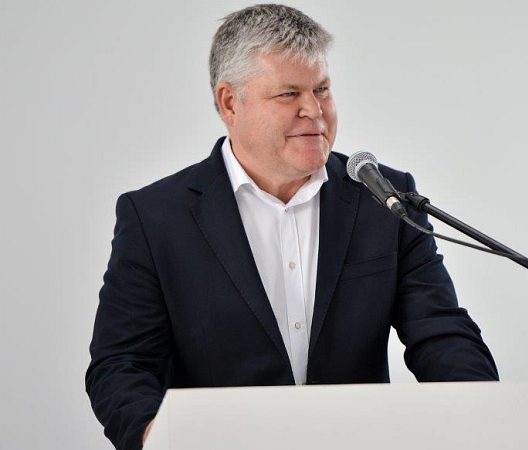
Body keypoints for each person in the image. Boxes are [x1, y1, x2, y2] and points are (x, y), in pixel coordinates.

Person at [85, 4, 498, 450]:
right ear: (230, 103)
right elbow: (122, 364)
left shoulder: (384, 199)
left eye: (322, 89)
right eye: (289, 94)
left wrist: (481, 419)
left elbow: (441, 334)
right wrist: (158, 437)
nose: (314, 110)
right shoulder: (156, 217)